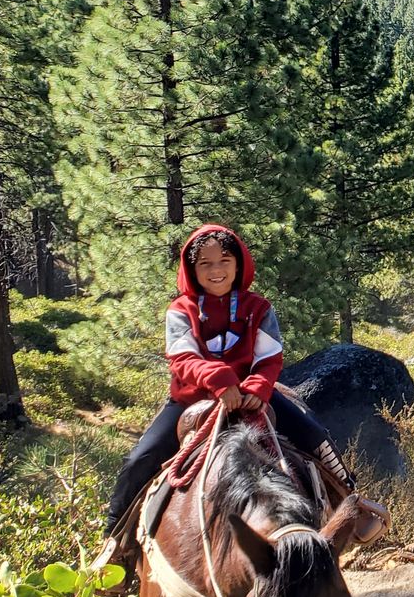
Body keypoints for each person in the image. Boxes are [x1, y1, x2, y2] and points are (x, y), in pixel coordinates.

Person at [97, 224, 353, 571]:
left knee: (313, 436)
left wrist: (255, 389)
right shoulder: (180, 310)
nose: (216, 270)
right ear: (192, 269)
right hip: (192, 399)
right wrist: (220, 381)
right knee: (140, 459)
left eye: (224, 260)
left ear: (239, 263)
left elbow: (269, 357)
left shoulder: (258, 308)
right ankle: (115, 540)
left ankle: (351, 498)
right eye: (205, 263)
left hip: (252, 397)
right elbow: (182, 357)